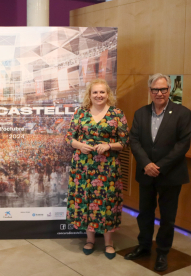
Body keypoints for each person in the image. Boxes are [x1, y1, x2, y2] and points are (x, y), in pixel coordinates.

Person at [125, 73, 191, 272]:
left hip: (170, 174)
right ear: (150, 91)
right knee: (144, 213)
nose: (159, 93)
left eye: (163, 89)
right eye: (155, 89)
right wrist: (146, 164)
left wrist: (159, 166)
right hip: (146, 173)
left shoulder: (183, 113)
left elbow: (183, 144)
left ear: (169, 90)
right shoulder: (140, 113)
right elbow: (134, 140)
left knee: (167, 217)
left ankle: (162, 252)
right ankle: (144, 246)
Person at [65, 79, 129, 259]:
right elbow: (70, 137)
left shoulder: (117, 114)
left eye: (102, 92)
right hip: (83, 168)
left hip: (107, 168)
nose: (99, 95)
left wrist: (109, 145)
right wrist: (80, 145)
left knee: (107, 201)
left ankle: (109, 243)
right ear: (89, 95)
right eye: (95, 92)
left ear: (108, 94)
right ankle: (90, 240)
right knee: (86, 201)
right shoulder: (80, 112)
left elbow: (124, 141)